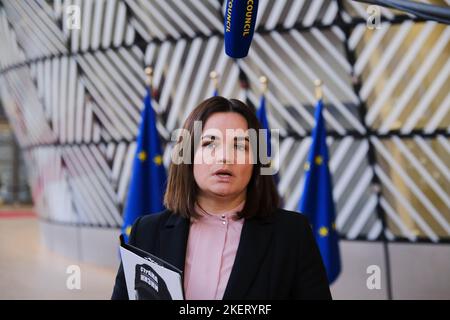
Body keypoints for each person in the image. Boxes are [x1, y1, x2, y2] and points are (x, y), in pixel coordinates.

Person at [111, 96, 331, 300]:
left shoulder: (292, 233)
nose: (225, 156)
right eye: (209, 144)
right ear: (188, 157)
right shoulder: (147, 231)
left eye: (240, 145)